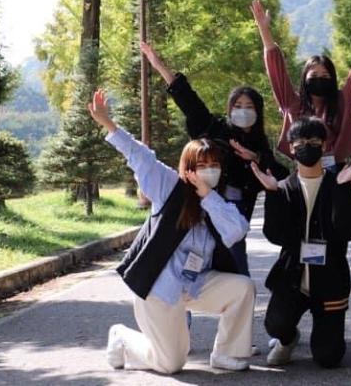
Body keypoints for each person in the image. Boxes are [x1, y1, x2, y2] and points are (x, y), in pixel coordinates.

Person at [88, 89, 255, 374]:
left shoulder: (216, 202)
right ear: (188, 168)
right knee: (170, 363)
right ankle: (122, 338)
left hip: (196, 284)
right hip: (160, 290)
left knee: (242, 288)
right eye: (201, 165)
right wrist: (109, 124)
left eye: (214, 165)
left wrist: (207, 196)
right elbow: (141, 156)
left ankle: (227, 354)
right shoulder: (168, 186)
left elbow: (237, 230)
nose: (209, 171)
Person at [139, 40, 289, 276]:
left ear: (257, 111)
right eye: (237, 105)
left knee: (237, 269)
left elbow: (281, 176)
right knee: (192, 267)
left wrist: (255, 158)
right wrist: (159, 66)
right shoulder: (215, 128)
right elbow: (189, 102)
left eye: (249, 106)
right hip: (202, 205)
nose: (243, 110)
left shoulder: (259, 144)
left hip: (235, 214)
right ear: (230, 109)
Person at [249, 117, 351, 368]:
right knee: (276, 324)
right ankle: (288, 340)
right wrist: (272, 194)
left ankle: (326, 335)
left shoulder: (338, 183)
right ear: (291, 147)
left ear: (324, 145)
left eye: (313, 141)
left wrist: (343, 189)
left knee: (328, 357)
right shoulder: (283, 187)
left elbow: (349, 230)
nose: (307, 146)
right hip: (293, 278)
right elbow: (275, 235)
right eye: (300, 142)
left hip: (330, 279)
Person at [250, 0, 351, 170]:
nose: (319, 78)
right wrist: (264, 30)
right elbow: (277, 71)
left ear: (332, 78)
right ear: (304, 78)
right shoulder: (291, 102)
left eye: (325, 75)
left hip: (334, 171)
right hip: (302, 169)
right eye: (314, 75)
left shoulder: (342, 101)